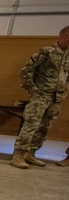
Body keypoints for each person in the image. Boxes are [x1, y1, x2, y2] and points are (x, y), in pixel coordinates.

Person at [10, 25, 69, 169]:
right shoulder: (47, 52)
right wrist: (33, 89)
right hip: (41, 95)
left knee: (44, 127)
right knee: (31, 124)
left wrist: (65, 90)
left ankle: (31, 153)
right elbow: (27, 70)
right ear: (65, 36)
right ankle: (18, 155)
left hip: (56, 98)